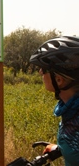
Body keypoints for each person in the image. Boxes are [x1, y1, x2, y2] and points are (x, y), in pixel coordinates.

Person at [29, 36, 79, 166]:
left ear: (58, 80)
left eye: (44, 69)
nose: (40, 72)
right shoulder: (71, 109)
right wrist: (61, 149)